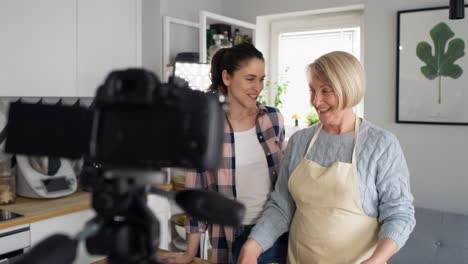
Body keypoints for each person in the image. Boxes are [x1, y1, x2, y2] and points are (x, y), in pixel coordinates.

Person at [238, 51, 416, 264]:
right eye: (312, 90)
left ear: (348, 90)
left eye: (326, 91)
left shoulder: (381, 145)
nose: (316, 101)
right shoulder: (300, 142)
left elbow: (399, 214)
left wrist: (377, 259)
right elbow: (281, 206)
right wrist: (253, 246)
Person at [159, 43, 288, 264]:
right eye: (250, 79)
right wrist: (189, 253)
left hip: (272, 232)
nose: (257, 87)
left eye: (261, 79)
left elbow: (283, 182)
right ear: (227, 78)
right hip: (229, 237)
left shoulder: (273, 119)